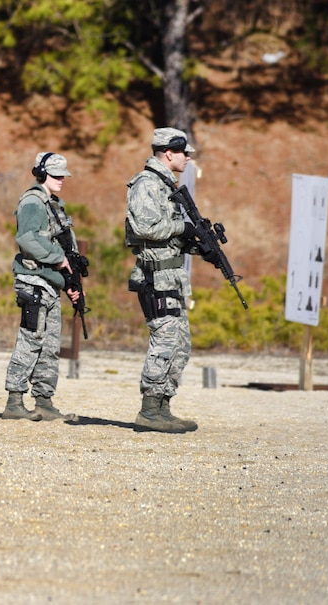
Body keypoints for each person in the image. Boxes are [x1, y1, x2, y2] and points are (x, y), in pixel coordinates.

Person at [125, 127, 204, 433]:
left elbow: (169, 235)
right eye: (184, 153)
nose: (187, 158)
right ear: (168, 153)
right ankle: (148, 410)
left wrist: (198, 243)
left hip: (170, 275)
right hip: (155, 276)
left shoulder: (165, 184)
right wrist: (181, 228)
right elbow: (143, 228)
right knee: (165, 341)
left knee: (180, 344)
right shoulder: (146, 183)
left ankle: (162, 407)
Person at [2, 153, 81, 422]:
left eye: (63, 175)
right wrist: (58, 259)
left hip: (49, 283)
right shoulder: (33, 202)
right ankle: (14, 400)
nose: (61, 180)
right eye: (55, 175)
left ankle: (44, 400)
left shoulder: (54, 205)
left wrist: (70, 283)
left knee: (50, 344)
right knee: (30, 339)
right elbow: (26, 238)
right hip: (34, 281)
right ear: (42, 173)